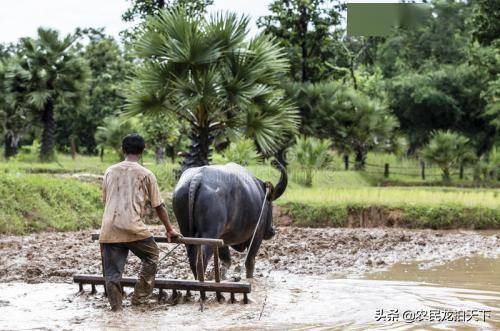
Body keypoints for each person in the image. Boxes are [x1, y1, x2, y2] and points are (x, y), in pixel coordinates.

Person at [99, 133, 181, 311]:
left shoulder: (110, 171)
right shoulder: (146, 174)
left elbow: (106, 200)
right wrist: (169, 229)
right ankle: (139, 299)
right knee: (151, 256)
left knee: (112, 274)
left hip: (109, 228)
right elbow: (159, 205)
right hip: (134, 228)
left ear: (123, 149)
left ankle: (116, 310)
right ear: (142, 151)